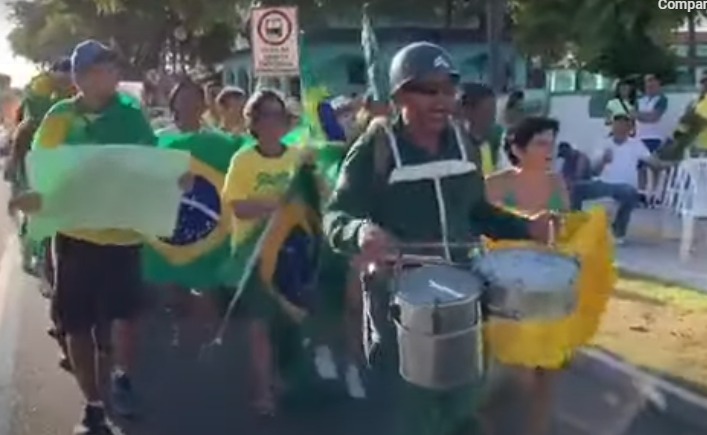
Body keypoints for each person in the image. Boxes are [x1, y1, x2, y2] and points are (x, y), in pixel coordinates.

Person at [324, 41, 555, 435]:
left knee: (463, 408)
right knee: (410, 415)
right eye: (427, 90)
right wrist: (361, 232)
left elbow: (476, 212)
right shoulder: (376, 147)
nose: (441, 100)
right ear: (398, 96)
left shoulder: (465, 143)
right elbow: (335, 216)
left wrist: (525, 226)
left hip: (466, 302)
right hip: (400, 310)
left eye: (448, 89)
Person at [9, 40, 191, 434]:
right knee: (76, 326)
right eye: (100, 69)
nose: (109, 74)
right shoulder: (59, 118)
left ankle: (116, 387)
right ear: (81, 77)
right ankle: (92, 404)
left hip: (123, 240)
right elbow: (45, 173)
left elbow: (149, 165)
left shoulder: (131, 115)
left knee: (121, 322)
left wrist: (173, 178)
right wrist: (28, 198)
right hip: (74, 239)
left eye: (111, 67)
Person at [221, 89, 310, 416]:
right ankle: (262, 392)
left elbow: (312, 201)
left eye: (279, 116)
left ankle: (281, 377)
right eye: (266, 116)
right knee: (259, 323)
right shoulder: (243, 160)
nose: (274, 123)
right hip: (253, 254)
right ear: (254, 123)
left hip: (292, 251)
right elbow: (239, 207)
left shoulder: (297, 158)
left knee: (289, 321)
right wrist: (275, 203)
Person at [483, 117, 569, 435]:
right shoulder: (495, 184)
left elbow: (566, 230)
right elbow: (482, 229)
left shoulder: (556, 182)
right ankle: (485, 425)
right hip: (507, 292)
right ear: (517, 149)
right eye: (541, 143)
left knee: (547, 372)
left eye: (552, 143)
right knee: (511, 374)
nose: (550, 150)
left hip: (547, 289)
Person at [571, 114, 671, 244]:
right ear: (613, 126)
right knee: (574, 188)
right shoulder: (603, 143)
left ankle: (618, 231)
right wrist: (603, 161)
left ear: (630, 128)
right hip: (603, 185)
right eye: (617, 125)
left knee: (630, 193)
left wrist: (672, 162)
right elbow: (594, 171)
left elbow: (654, 163)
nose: (620, 128)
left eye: (624, 125)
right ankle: (574, 225)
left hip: (625, 187)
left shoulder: (636, 145)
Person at [459, 82, 504, 174]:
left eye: (494, 111)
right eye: (487, 112)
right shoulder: (457, 144)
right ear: (467, 111)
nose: (492, 117)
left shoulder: (494, 139)